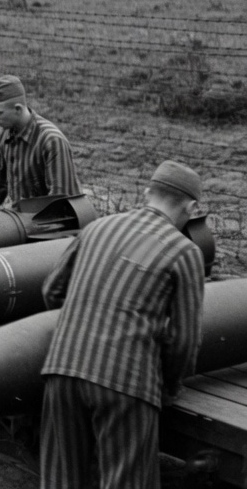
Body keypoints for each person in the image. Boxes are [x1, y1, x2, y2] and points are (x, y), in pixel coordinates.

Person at [40, 160, 205, 489]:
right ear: (192, 207)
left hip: (62, 370)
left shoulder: (98, 227)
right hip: (126, 383)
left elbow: (52, 290)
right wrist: (168, 388)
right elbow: (184, 340)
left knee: (60, 480)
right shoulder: (185, 252)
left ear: (147, 193)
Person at [0, 74, 80, 212]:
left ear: (18, 109)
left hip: (57, 224)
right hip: (23, 221)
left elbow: (60, 202)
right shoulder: (5, 134)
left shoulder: (51, 141)